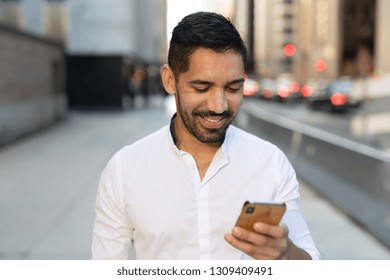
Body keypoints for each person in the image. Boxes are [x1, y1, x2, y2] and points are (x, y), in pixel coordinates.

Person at [92, 11, 320, 260]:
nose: (219, 106)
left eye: (233, 88)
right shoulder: (125, 169)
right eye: (202, 87)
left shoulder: (270, 163)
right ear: (170, 80)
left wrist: (286, 254)